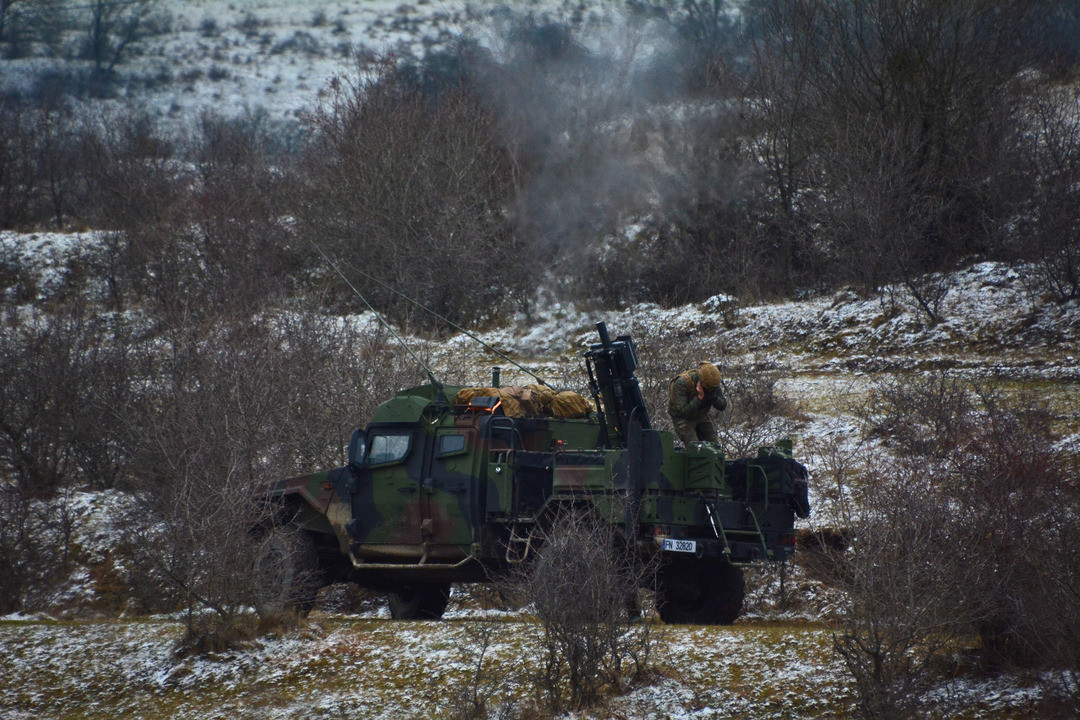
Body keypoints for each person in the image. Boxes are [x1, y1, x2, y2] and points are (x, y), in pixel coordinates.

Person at [667, 361, 727, 446]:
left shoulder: (712, 382)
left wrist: (713, 396)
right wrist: (699, 398)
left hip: (701, 414)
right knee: (695, 448)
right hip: (683, 418)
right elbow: (682, 412)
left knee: (714, 447)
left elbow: (722, 406)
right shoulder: (682, 383)